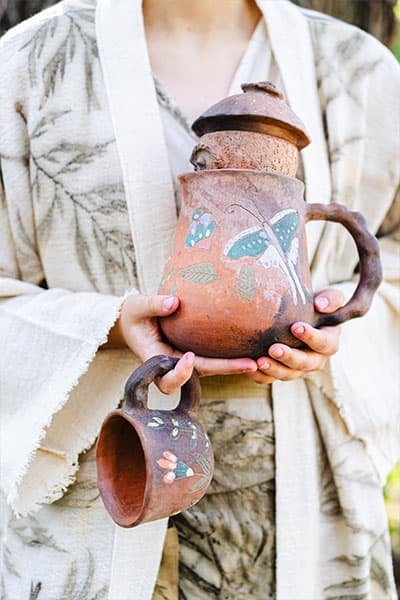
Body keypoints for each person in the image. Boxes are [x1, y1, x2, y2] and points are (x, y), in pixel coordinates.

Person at [0, 0, 399, 598]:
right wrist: (106, 326)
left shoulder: (357, 68)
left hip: (307, 512)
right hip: (103, 492)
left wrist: (335, 317)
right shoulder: (32, 62)